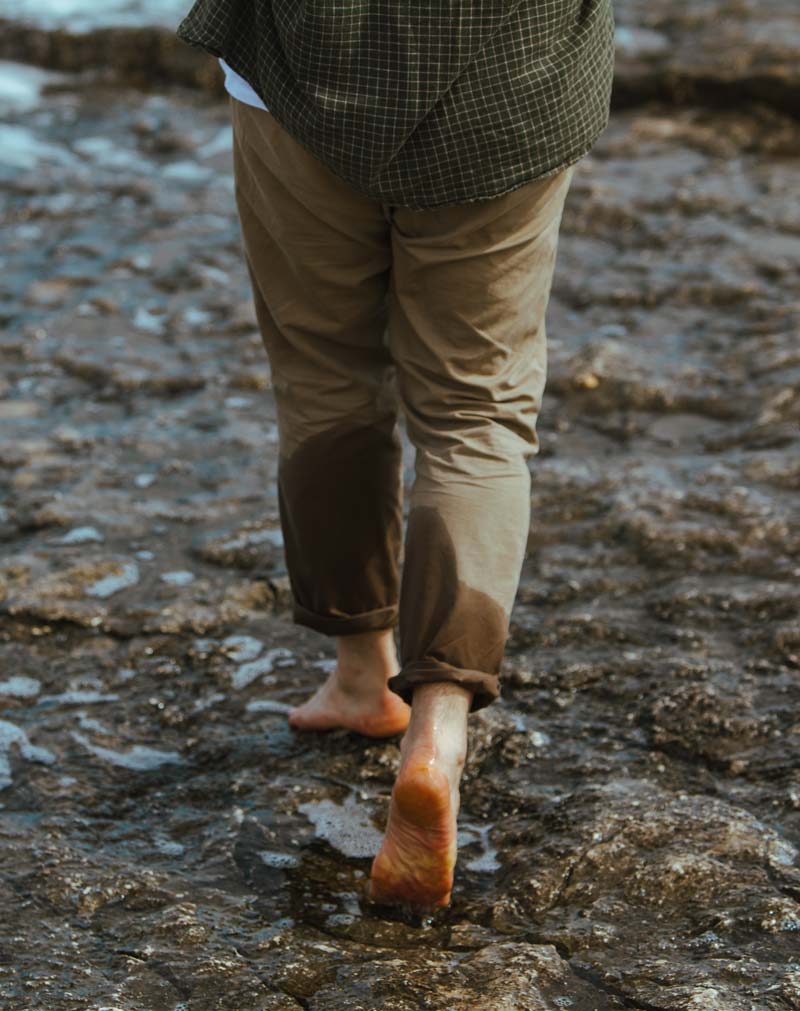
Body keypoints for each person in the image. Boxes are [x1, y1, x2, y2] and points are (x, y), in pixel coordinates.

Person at [176, 0, 615, 910]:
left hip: (300, 73)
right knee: (475, 410)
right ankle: (438, 729)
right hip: (512, 79)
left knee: (326, 381)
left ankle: (360, 671)